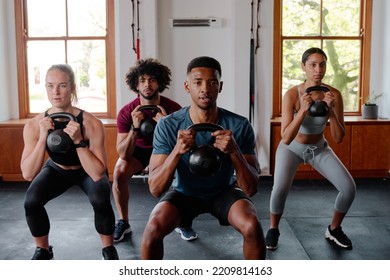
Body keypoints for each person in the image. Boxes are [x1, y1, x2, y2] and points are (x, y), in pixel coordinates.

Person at [141, 56, 266, 260]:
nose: (205, 89)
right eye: (198, 82)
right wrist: (177, 151)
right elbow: (155, 189)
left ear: (220, 86)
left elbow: (251, 188)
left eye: (212, 82)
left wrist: (234, 151)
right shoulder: (168, 125)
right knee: (153, 229)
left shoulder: (239, 125)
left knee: (252, 226)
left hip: (223, 191)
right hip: (184, 193)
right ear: (187, 86)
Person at [21, 64, 119, 260]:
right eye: (50, 86)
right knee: (31, 202)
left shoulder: (91, 123)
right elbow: (28, 173)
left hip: (87, 170)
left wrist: (78, 141)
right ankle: (43, 250)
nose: (55, 92)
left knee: (101, 199)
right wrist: (42, 137)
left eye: (62, 85)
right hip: (57, 169)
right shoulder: (34, 125)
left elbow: (98, 173)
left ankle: (108, 250)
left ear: (72, 87)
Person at [265, 47, 356, 250]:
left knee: (349, 189)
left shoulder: (335, 95)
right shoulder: (292, 95)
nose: (318, 69)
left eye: (322, 64)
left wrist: (331, 111)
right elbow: (286, 138)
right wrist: (303, 111)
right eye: (313, 65)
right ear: (303, 66)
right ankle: (273, 229)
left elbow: (339, 138)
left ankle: (334, 229)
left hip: (319, 147)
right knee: (279, 189)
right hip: (291, 148)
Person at [112, 58, 197, 242]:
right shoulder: (127, 112)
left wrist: (166, 125)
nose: (147, 85)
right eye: (142, 80)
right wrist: (135, 129)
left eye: (151, 80)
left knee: (187, 169)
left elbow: (184, 145)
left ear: (159, 82)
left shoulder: (173, 109)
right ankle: (123, 222)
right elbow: (123, 153)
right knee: (119, 172)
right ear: (136, 84)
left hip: (165, 150)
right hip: (139, 151)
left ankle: (183, 220)